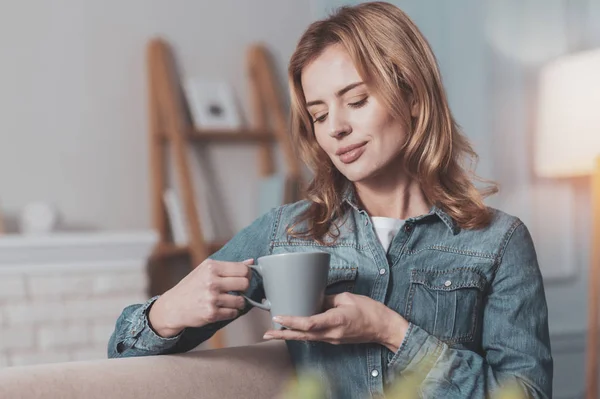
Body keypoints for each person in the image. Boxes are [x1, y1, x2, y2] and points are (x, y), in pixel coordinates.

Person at [108, 2, 553, 398]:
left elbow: (525, 394)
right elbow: (123, 354)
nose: (335, 128)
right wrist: (167, 312)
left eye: (356, 101)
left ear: (413, 96)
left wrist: (391, 331)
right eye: (319, 114)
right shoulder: (287, 230)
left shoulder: (497, 241)